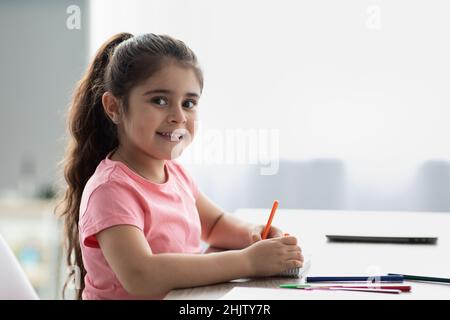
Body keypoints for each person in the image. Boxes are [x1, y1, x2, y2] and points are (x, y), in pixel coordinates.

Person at [58, 32, 303, 300]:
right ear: (114, 107)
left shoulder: (175, 175)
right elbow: (141, 276)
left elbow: (215, 224)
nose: (178, 117)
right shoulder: (109, 190)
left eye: (189, 103)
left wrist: (253, 234)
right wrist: (248, 262)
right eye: (160, 100)